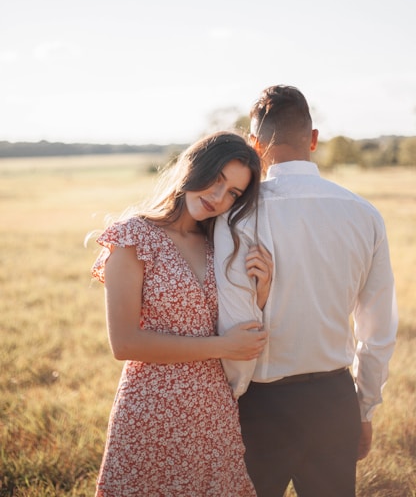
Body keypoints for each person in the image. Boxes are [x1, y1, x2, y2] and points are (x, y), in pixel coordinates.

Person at [214, 86, 398, 497]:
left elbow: (235, 325)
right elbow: (378, 328)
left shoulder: (236, 218)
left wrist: (235, 402)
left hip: (258, 405)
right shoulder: (364, 214)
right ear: (313, 139)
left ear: (254, 146)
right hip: (333, 401)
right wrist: (364, 408)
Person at [91, 131, 272, 497]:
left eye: (233, 193)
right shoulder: (133, 237)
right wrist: (222, 346)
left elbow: (241, 327)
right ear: (194, 166)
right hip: (153, 412)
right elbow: (124, 343)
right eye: (216, 180)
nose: (219, 198)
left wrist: (263, 286)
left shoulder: (220, 242)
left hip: (213, 414)